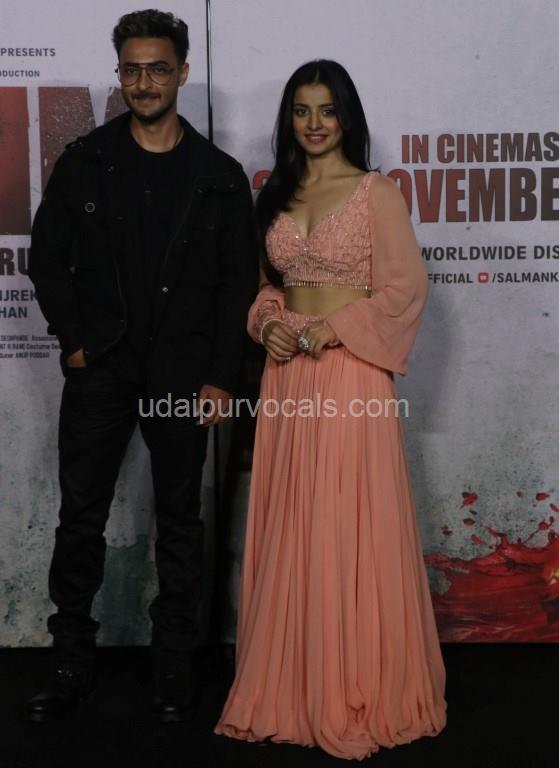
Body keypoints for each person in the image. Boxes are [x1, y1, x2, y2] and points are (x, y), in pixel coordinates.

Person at [25, 9, 256, 723]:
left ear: (182, 72)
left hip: (184, 375)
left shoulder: (219, 178)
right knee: (80, 520)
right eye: (132, 69)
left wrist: (222, 375)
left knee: (180, 520)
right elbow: (46, 260)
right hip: (102, 370)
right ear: (119, 74)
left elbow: (237, 287)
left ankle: (174, 665)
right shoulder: (85, 161)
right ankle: (70, 661)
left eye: (158, 68)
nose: (144, 82)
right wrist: (74, 342)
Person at [214, 60, 447, 760]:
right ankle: (291, 683)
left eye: (326, 110)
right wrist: (268, 324)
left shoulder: (376, 193)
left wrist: (335, 329)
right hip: (287, 377)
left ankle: (356, 684)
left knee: (346, 518)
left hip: (350, 375)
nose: (314, 124)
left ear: (347, 116)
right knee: (294, 520)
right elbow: (264, 289)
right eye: (301, 110)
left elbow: (404, 290)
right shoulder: (274, 194)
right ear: (288, 118)